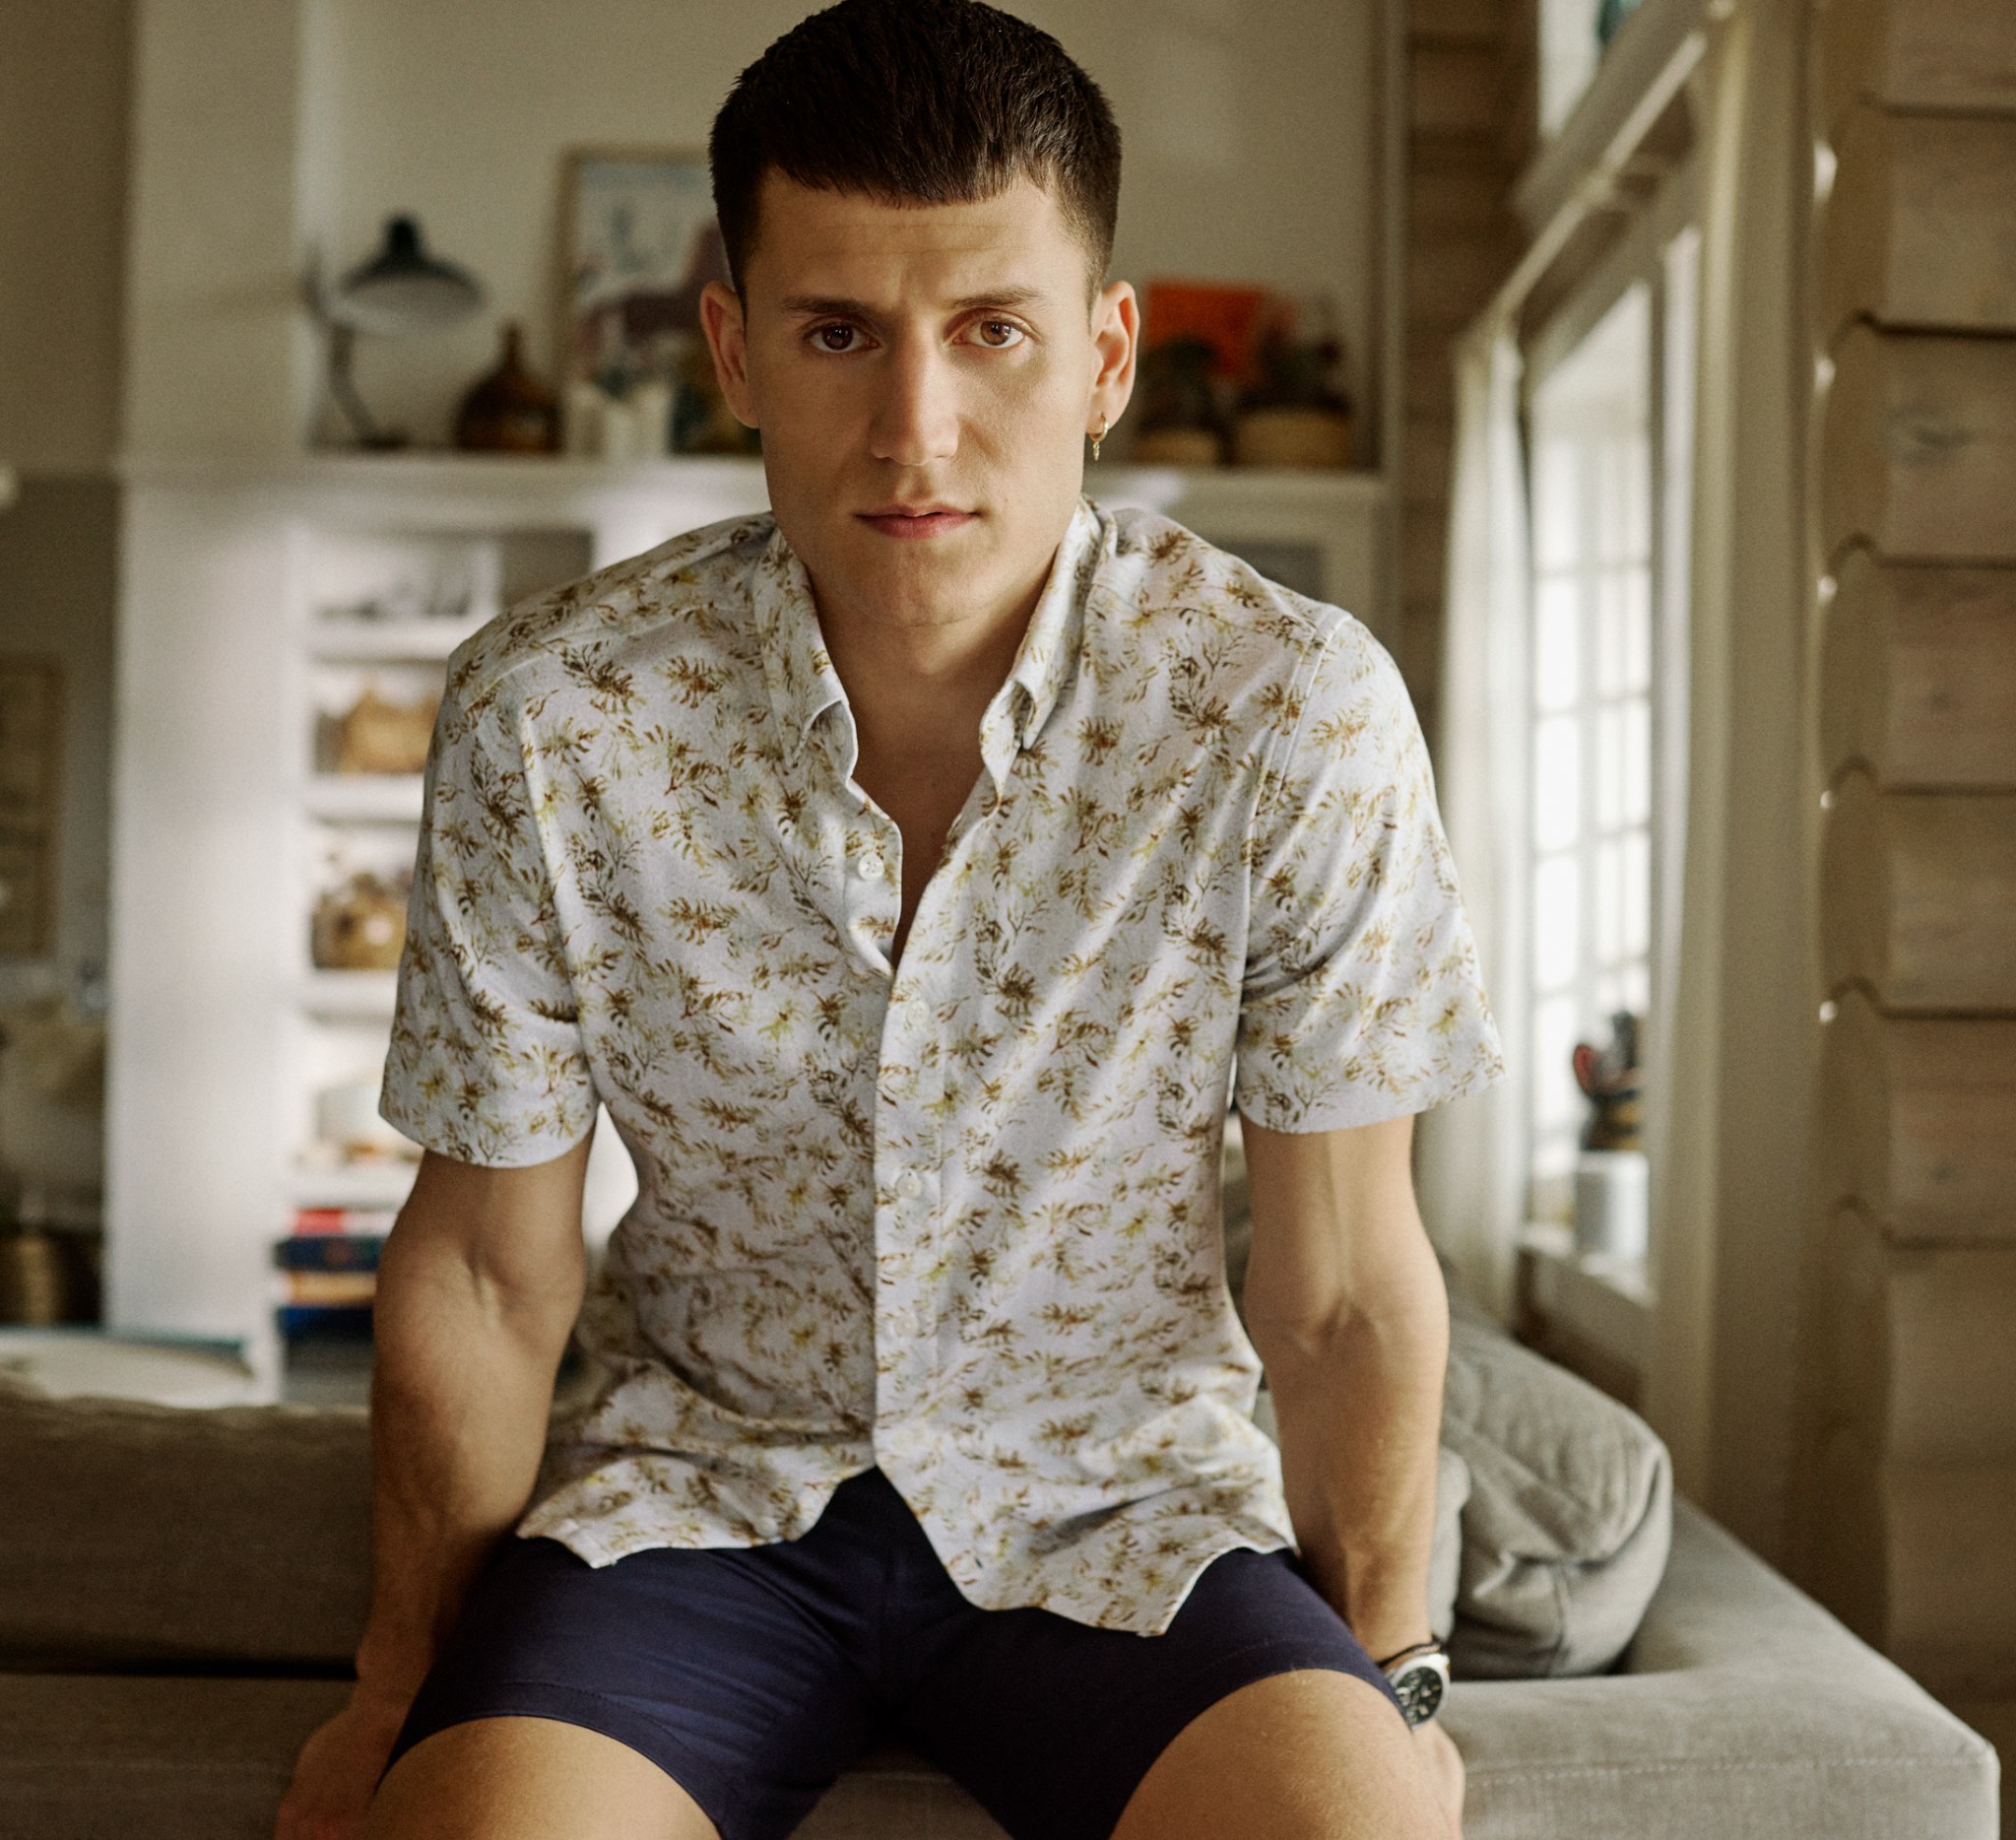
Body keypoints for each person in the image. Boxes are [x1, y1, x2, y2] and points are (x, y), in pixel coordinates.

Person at [276, 4, 1501, 1836]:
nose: (915, 429)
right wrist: (394, 1691)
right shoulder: (552, 715)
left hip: (1125, 1511)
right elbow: (480, 1267)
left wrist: (1395, 1671)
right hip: (695, 1505)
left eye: (991, 331)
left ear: (1106, 355)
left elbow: (1335, 1290)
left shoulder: (1290, 711)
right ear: (734, 350)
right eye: (839, 332)